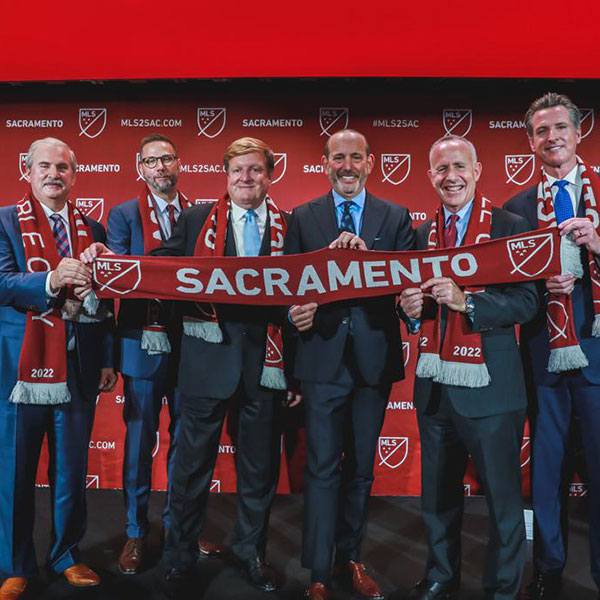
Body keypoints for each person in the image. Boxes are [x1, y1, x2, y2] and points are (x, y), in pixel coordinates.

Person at [397, 135, 538, 600]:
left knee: (502, 500)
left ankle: (503, 588)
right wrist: (410, 309)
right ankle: (441, 575)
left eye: (459, 166)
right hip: (435, 386)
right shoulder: (420, 234)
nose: (450, 176)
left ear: (477, 171)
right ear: (430, 176)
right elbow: (412, 309)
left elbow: (526, 301)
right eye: (441, 169)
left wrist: (468, 302)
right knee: (437, 496)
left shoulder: (510, 225)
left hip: (491, 387)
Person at [151, 136, 292, 594]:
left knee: (258, 471)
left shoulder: (290, 228)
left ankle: (252, 553)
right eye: (237, 171)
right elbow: (157, 269)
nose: (246, 178)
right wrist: (107, 261)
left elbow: (305, 296)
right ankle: (179, 557)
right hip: (204, 362)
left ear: (269, 176)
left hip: (266, 368)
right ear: (226, 176)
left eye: (255, 170)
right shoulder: (195, 220)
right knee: (190, 470)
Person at [284, 129, 414, 600]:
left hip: (374, 363)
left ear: (370, 163)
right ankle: (318, 571)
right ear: (325, 164)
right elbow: (285, 288)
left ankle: (352, 557)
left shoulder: (395, 216)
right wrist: (293, 317)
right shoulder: (302, 217)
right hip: (321, 362)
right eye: (337, 158)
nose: (346, 165)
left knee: (360, 468)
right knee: (321, 468)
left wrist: (369, 261)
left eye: (355, 157)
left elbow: (405, 288)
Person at [0, 137, 116, 600]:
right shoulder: (5, 222)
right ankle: (14, 564)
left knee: (71, 470)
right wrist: (51, 279)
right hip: (18, 369)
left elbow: (106, 300)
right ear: (27, 172)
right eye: (44, 166)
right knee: (15, 470)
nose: (54, 174)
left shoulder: (93, 227)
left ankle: (67, 554)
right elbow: (3, 283)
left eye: (63, 167)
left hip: (78, 364)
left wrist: (107, 357)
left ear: (74, 175)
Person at [105, 134, 222, 575]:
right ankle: (136, 531)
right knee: (139, 441)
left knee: (188, 443)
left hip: (193, 341)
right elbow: (117, 275)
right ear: (140, 167)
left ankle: (180, 526)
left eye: (167, 158)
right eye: (151, 161)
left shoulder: (203, 214)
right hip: (141, 341)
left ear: (179, 163)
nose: (160, 168)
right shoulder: (123, 214)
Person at [504, 93, 600, 600]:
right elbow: (509, 288)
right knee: (546, 470)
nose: (552, 137)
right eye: (542, 131)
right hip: (542, 354)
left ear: (578, 132)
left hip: (599, 351)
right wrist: (541, 285)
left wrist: (597, 244)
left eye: (560, 127)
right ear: (531, 142)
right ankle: (548, 567)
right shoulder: (517, 208)